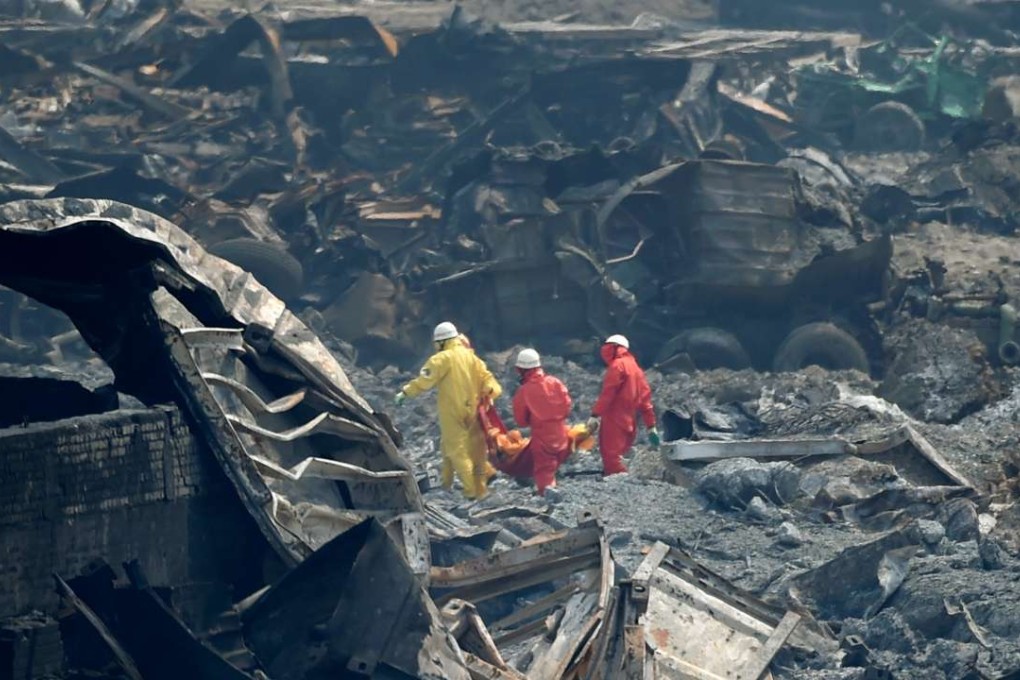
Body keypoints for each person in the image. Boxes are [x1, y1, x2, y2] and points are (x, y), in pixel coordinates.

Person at [395, 321, 502, 499]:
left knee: (456, 450)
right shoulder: (471, 357)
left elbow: (425, 381)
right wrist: (491, 392)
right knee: (453, 446)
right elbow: (488, 378)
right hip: (472, 408)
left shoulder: (441, 359)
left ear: (442, 341)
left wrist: (405, 392)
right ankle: (450, 481)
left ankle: (472, 491)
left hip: (453, 410)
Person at [588, 334, 660, 476]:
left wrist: (595, 415)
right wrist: (651, 426)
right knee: (622, 457)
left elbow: (608, 393)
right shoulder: (636, 369)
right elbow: (645, 401)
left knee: (612, 458)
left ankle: (616, 483)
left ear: (614, 348)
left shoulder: (617, 365)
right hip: (629, 423)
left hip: (614, 420)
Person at [511, 348, 573, 496]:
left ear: (521, 369)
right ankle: (553, 487)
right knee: (552, 465)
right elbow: (567, 405)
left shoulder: (524, 391)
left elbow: (521, 421)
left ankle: (548, 496)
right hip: (561, 433)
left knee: (544, 469)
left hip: (543, 437)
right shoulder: (555, 382)